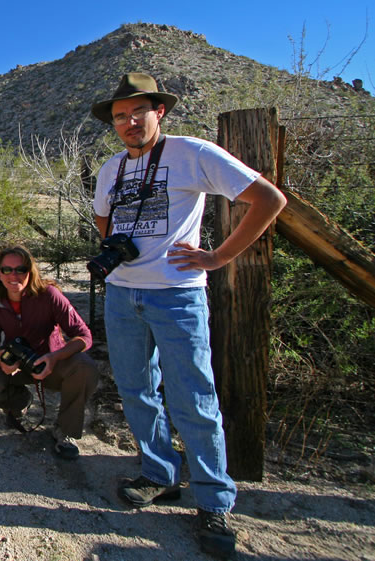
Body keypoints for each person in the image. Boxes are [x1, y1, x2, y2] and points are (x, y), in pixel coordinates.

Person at [90, 73, 287, 558]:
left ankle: (215, 501)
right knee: (137, 391)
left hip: (177, 295)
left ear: (160, 111)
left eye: (139, 111)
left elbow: (268, 200)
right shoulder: (110, 168)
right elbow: (103, 218)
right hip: (122, 293)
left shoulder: (192, 153)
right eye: (120, 115)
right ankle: (159, 474)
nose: (129, 122)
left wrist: (218, 257)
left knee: (193, 398)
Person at [0, 245, 100, 460]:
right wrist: (1, 360)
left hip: (52, 363)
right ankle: (19, 403)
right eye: (7, 270)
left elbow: (84, 336)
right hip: (18, 365)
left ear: (31, 271)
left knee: (85, 368)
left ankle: (65, 431)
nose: (14, 275)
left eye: (21, 269)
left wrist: (54, 357)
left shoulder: (49, 295)